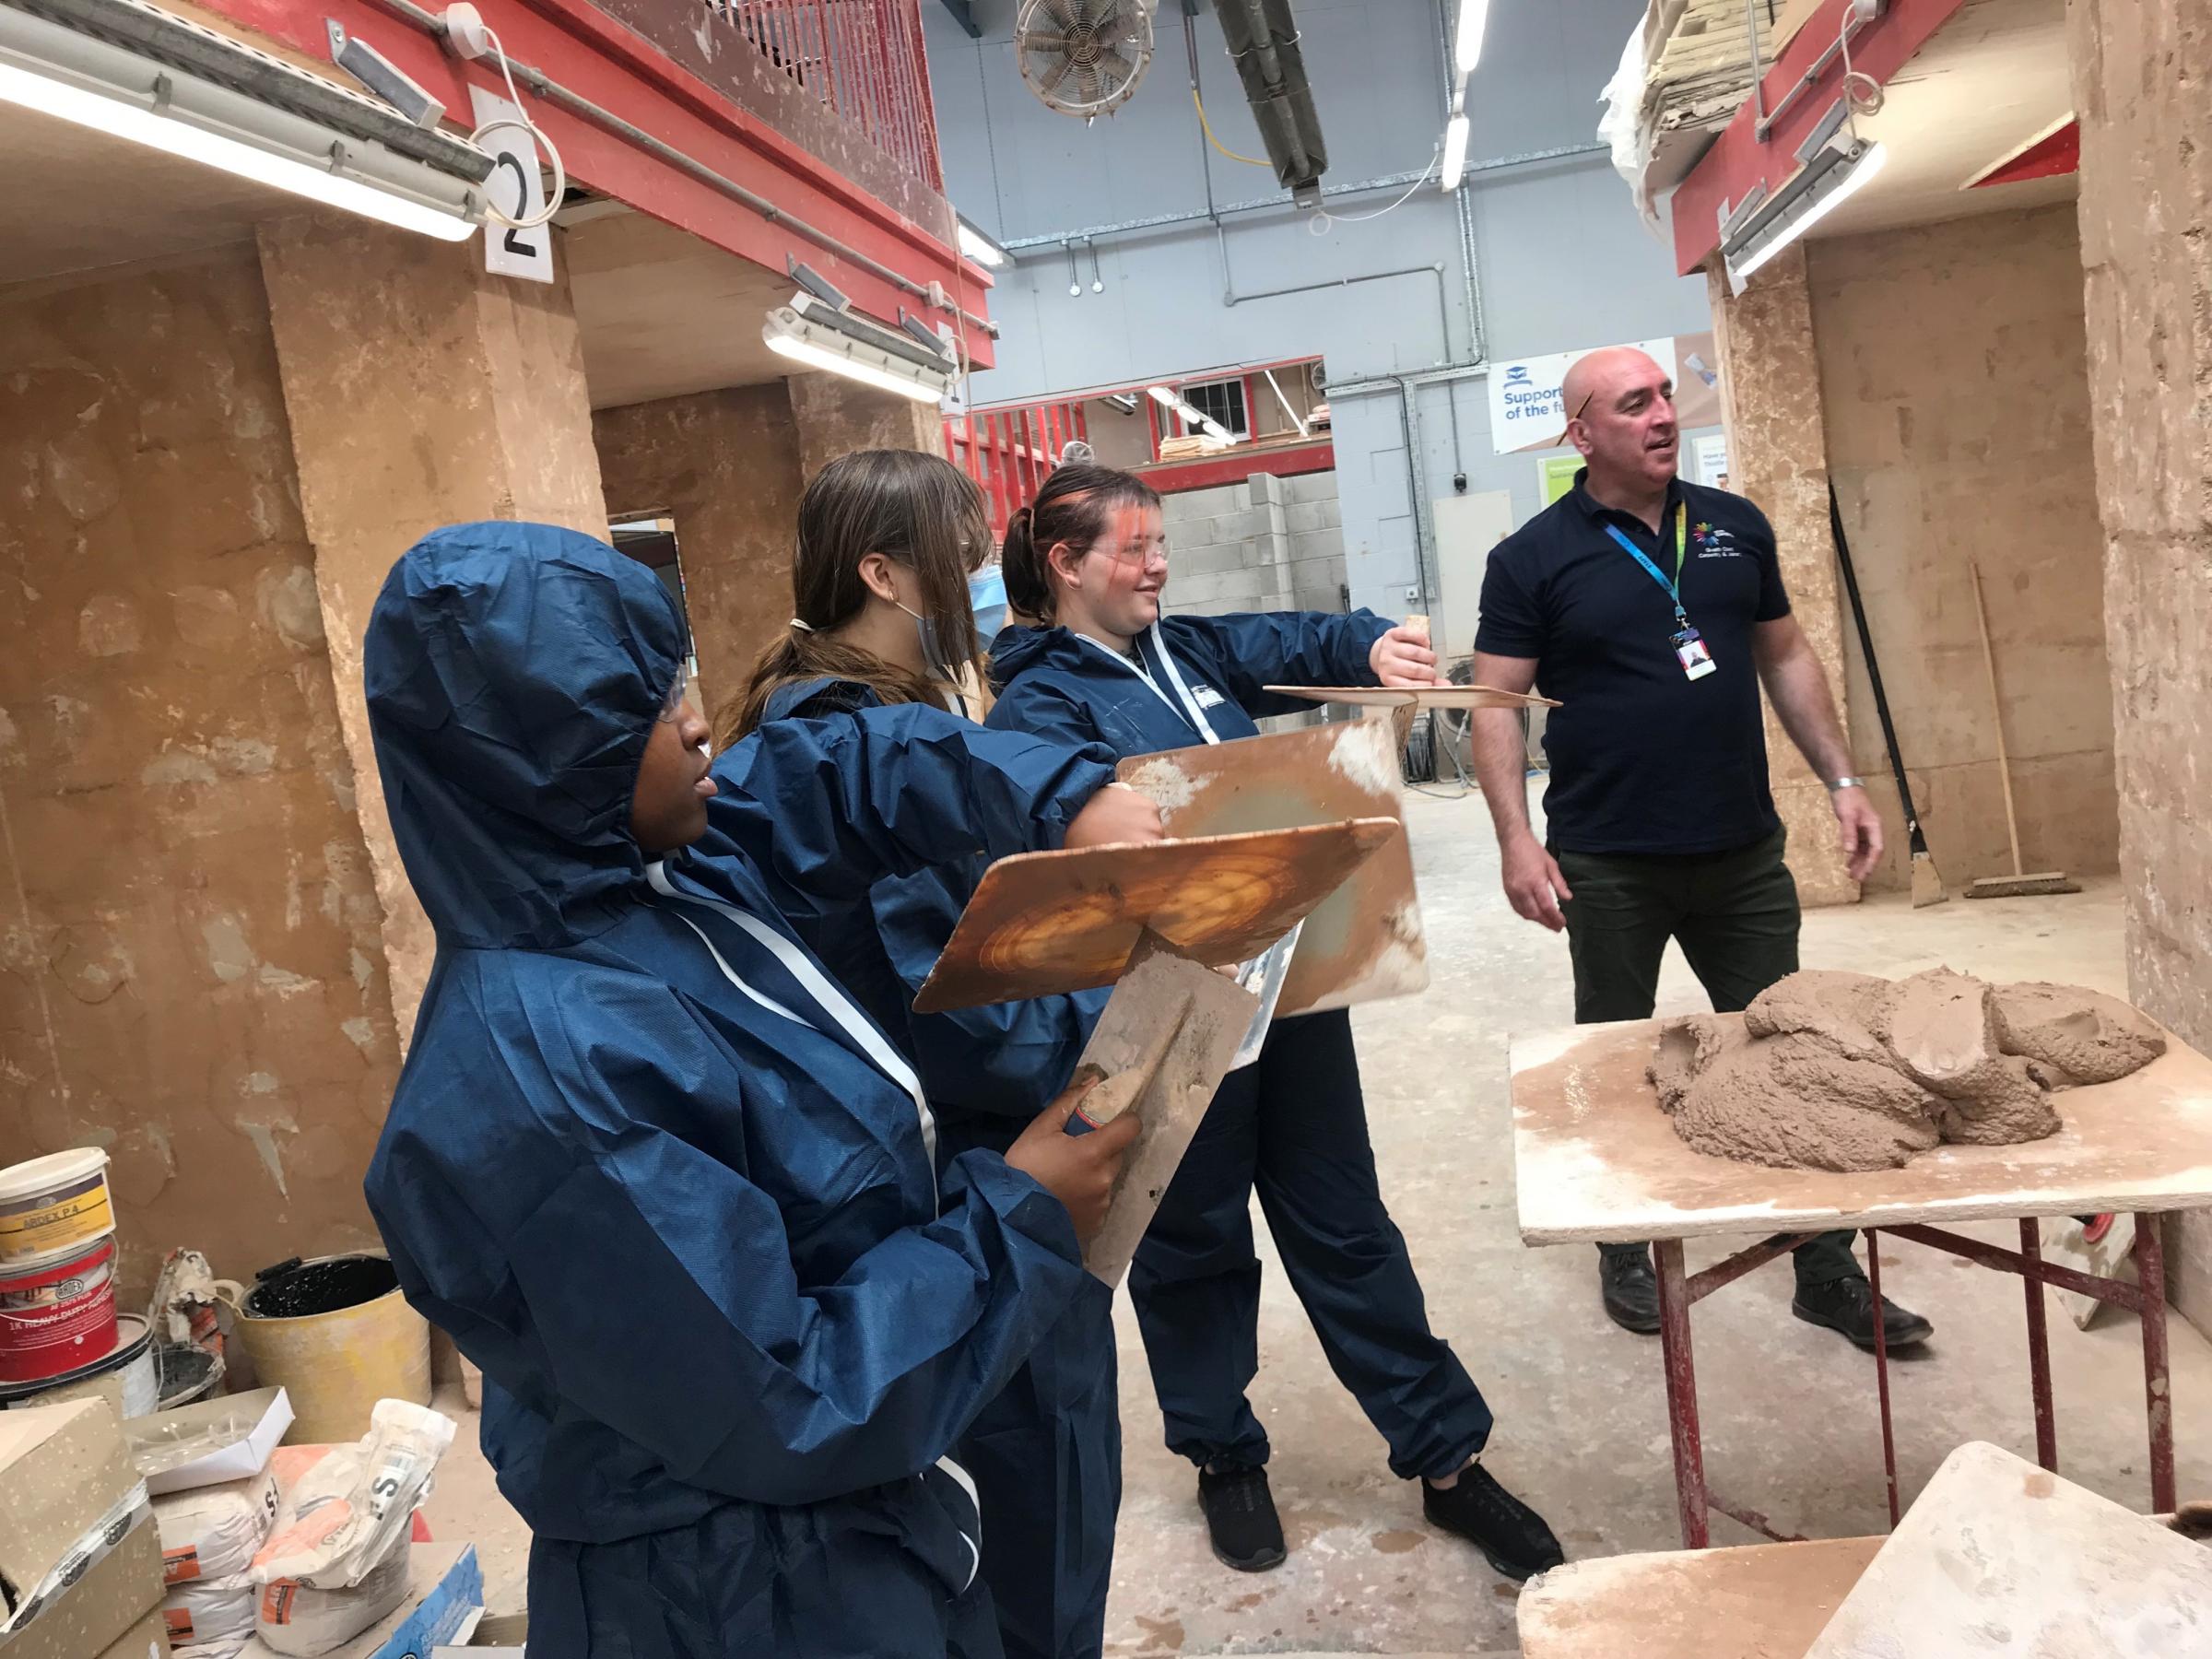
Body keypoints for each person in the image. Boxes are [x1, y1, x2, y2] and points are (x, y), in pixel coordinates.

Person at [360, 519, 1164, 1658]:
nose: (696, 722)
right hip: (735, 1591)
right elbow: (788, 1397)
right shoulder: (542, 1086)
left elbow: (839, 769)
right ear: (543, 758)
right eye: (643, 706)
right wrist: (1021, 1215)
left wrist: (1058, 796)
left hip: (842, 1525)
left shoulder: (650, 875)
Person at [987, 463, 1566, 1585]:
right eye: (1133, 548)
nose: (1158, 565)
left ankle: (1446, 1459)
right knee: (1193, 1245)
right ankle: (1223, 1457)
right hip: (1165, 1014)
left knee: (1345, 1224)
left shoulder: (1188, 651)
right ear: (1065, 564)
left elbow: (1285, 641)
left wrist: (1367, 645)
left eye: (1161, 544)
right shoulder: (1038, 702)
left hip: (1290, 998)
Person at [719, 450, 1119, 1659]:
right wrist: (1112, 1025)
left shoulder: (867, 717)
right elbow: (953, 1001)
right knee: (1046, 1471)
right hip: (978, 1162)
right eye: (966, 557)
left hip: (921, 1161)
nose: (989, 584)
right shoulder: (850, 745)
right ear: (885, 572)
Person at [1465, 346, 1934, 1351]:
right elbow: (1494, 705)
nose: (1662, 415)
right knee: (1621, 1055)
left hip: (1741, 856)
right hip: (1608, 860)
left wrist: (1844, 782)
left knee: (1794, 1050)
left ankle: (1824, 1268)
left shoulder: (1734, 527)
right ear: (1582, 432)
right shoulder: (1532, 559)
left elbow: (1787, 654)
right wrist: (1516, 840)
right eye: (1634, 404)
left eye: (1665, 396)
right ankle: (1626, 1243)